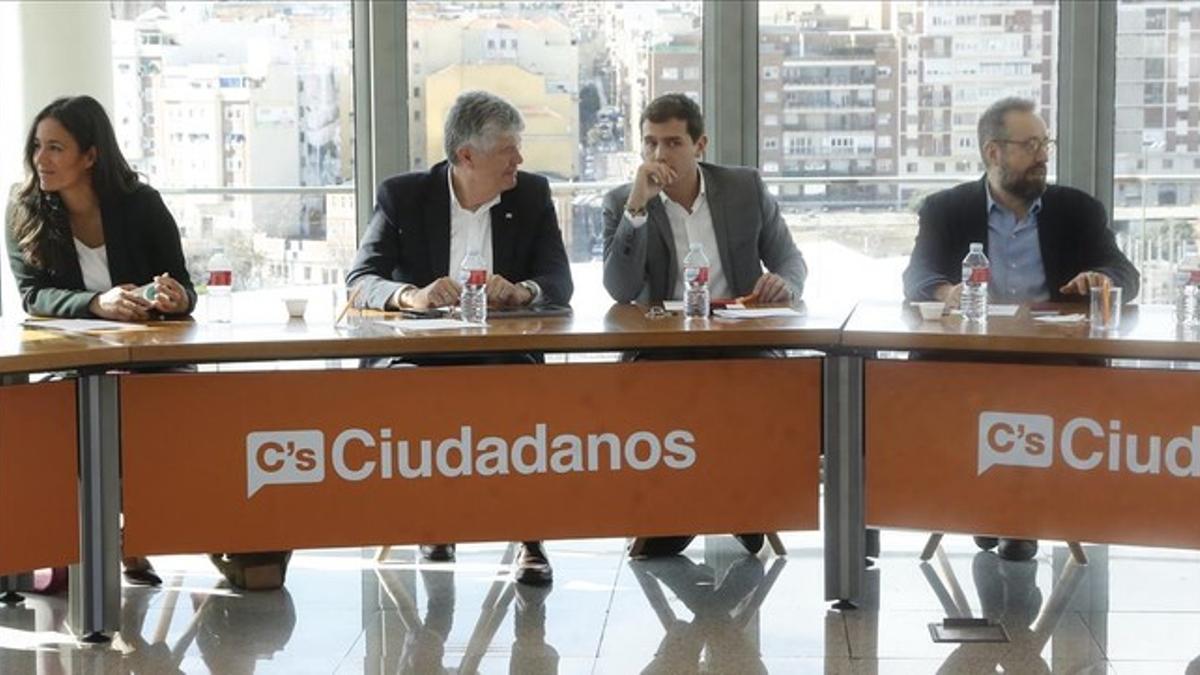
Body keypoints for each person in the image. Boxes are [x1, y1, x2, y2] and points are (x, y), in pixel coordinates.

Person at [347, 91, 573, 585]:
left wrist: (522, 291)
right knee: (413, 394)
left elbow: (559, 280)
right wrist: (413, 296)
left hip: (502, 354)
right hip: (420, 355)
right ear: (467, 156)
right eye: (508, 150)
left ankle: (531, 538)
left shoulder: (530, 196)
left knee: (527, 393)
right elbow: (361, 279)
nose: (519, 160)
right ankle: (435, 519)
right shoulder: (403, 196)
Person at [901, 97, 1140, 561]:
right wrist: (946, 292)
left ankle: (1012, 516)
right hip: (971, 360)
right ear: (994, 153)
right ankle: (990, 507)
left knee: (1032, 396)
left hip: (1052, 361)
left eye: (1045, 143)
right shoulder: (945, 210)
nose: (1043, 155)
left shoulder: (1078, 210)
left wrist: (1103, 281)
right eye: (1030, 145)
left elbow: (1124, 273)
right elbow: (918, 276)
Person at [601, 93, 808, 558]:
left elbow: (790, 260)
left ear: (700, 145)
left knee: (762, 385)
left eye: (672, 142)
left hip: (738, 333)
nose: (659, 156)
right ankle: (725, 509)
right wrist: (637, 207)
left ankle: (709, 509)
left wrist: (783, 284)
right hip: (662, 343)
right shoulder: (624, 201)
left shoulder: (743, 188)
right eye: (650, 144)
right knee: (666, 389)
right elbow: (618, 288)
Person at [6, 95, 196, 587]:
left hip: (147, 363)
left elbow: (183, 285)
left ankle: (134, 534)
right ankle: (81, 541)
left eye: (55, 148)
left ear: (90, 156)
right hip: (70, 362)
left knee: (163, 412)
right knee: (54, 417)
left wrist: (174, 297)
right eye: (37, 147)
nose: (40, 160)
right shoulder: (24, 210)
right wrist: (96, 304)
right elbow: (35, 296)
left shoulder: (141, 205)